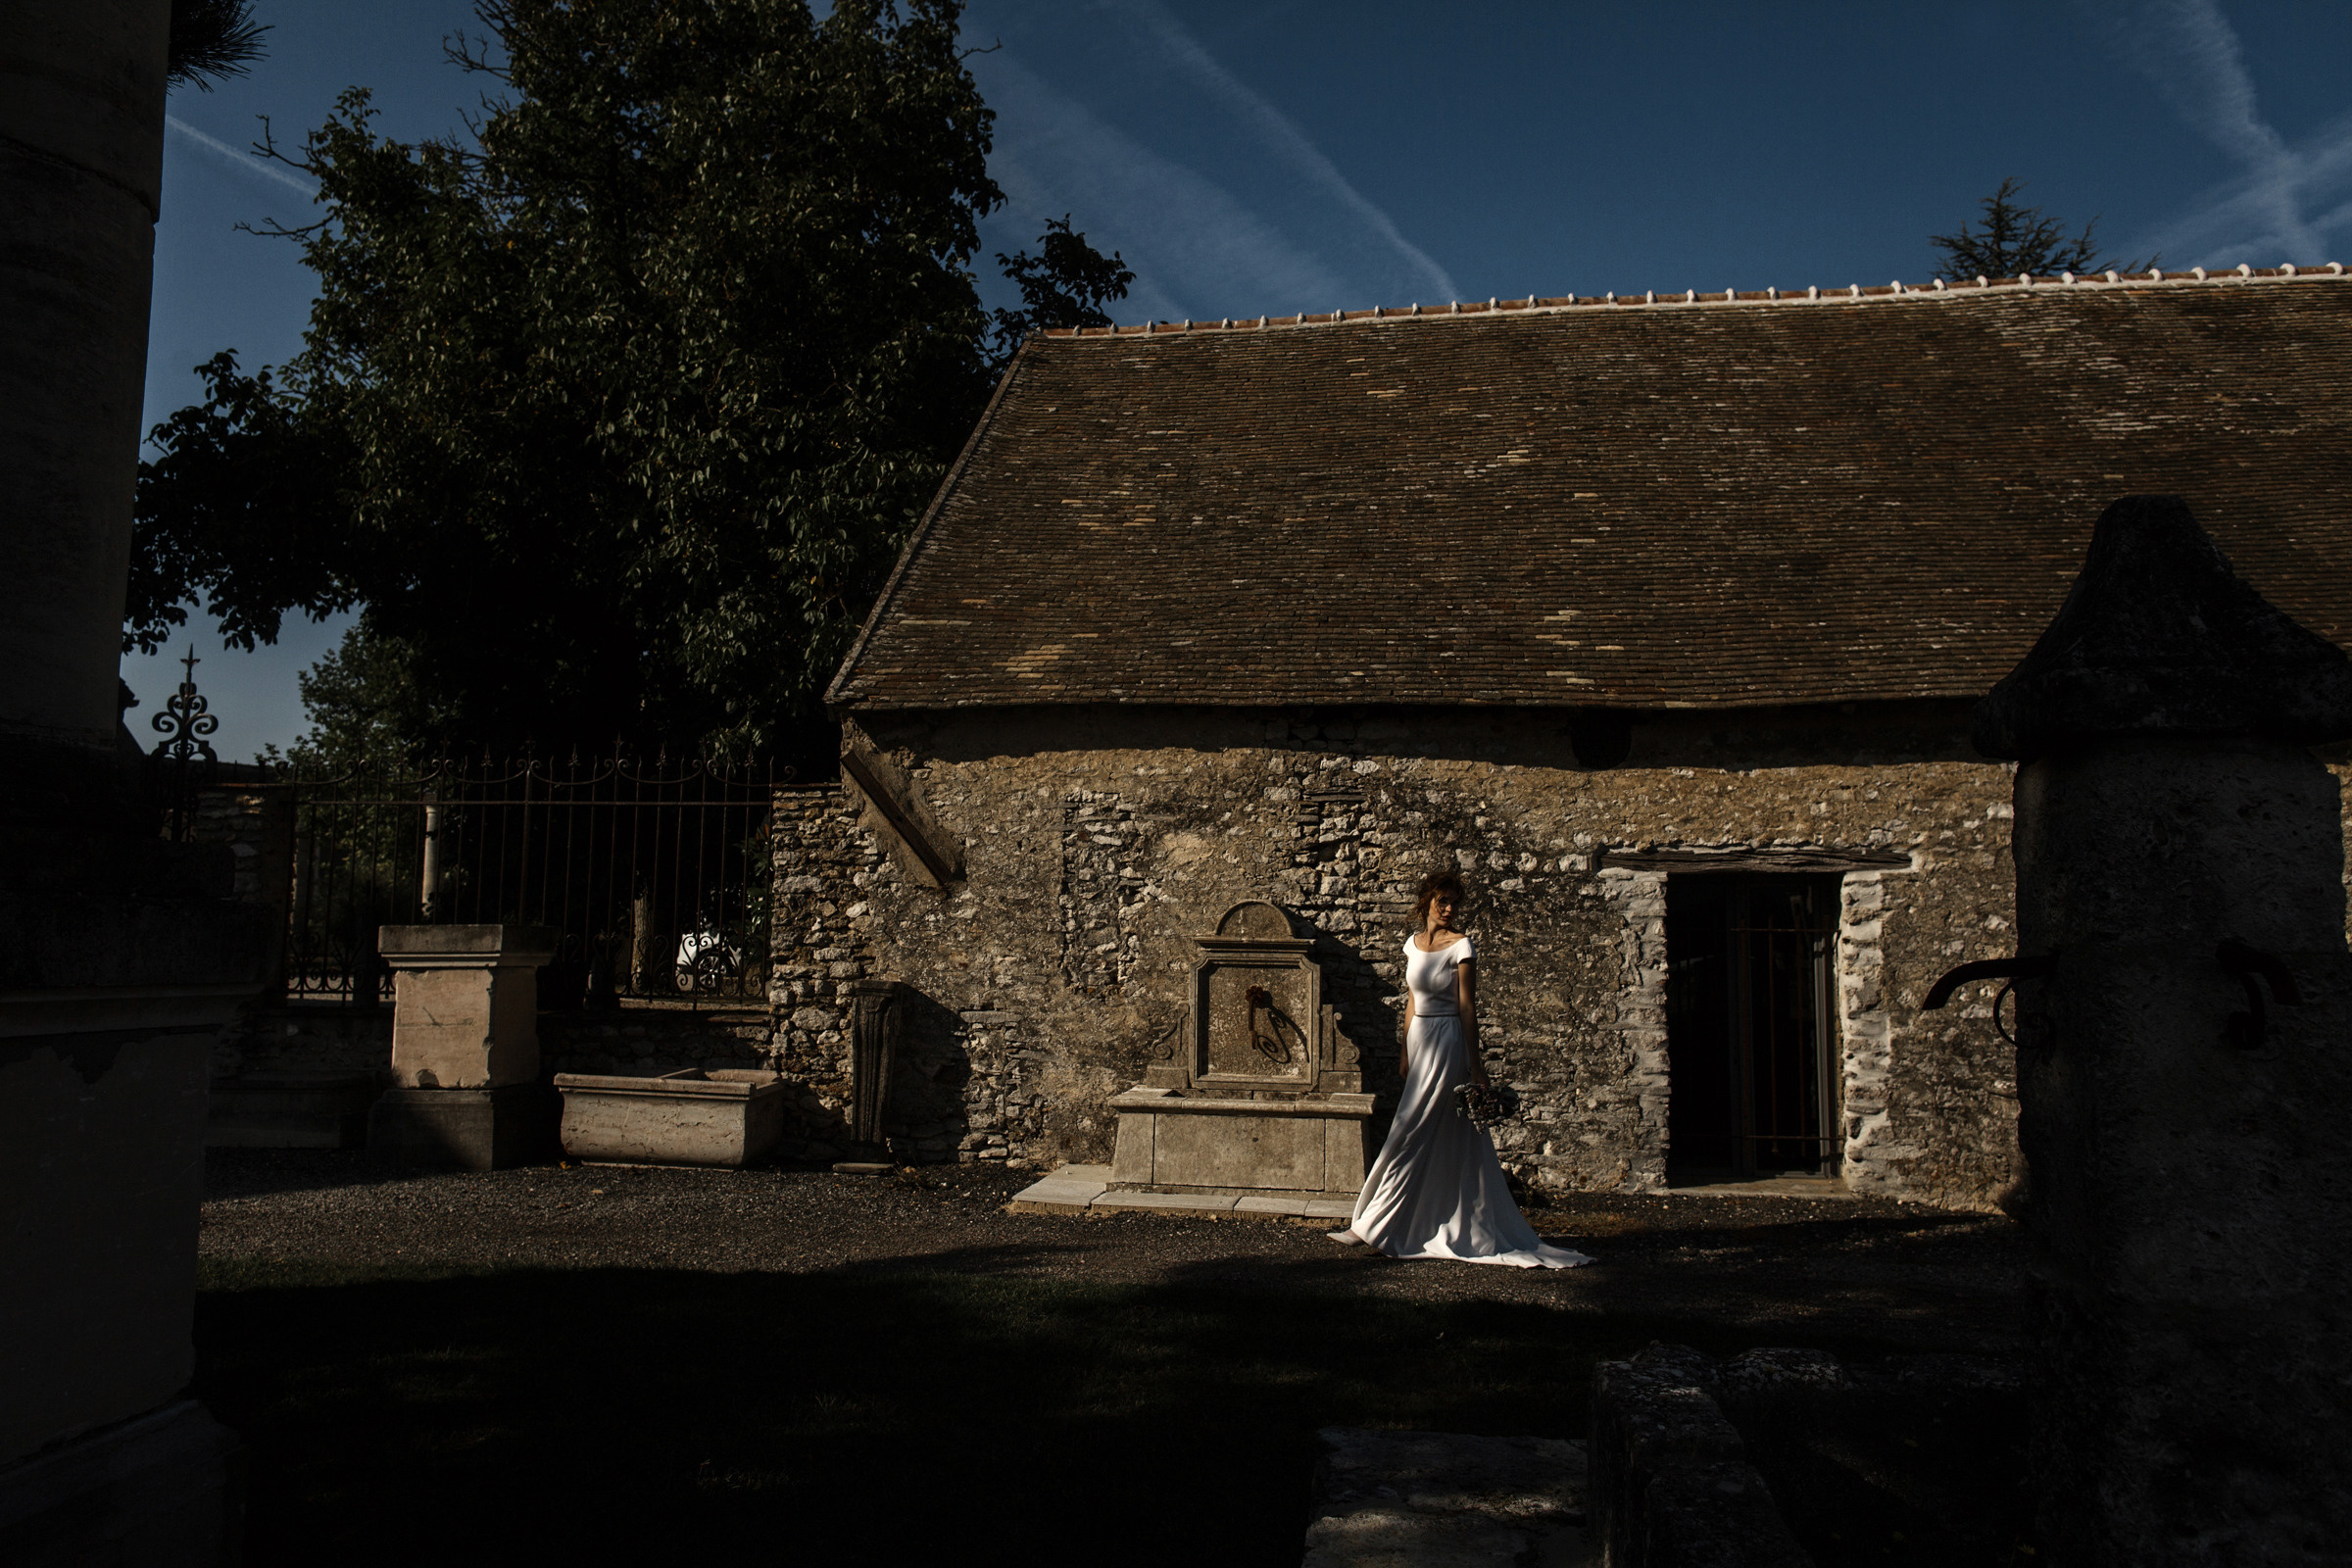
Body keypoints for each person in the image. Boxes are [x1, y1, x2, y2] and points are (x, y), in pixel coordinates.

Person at [1329, 869, 1592, 1268]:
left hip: (1447, 1042)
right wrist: (1404, 1051)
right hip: (1420, 1040)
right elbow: (1413, 1001)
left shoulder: (1462, 947)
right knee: (1434, 1135)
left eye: (1454, 902)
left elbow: (1468, 1008)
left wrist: (1476, 1065)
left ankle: (1370, 1225)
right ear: (1426, 902)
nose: (1449, 909)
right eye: (1442, 901)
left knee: (1409, 1131)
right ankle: (1417, 1222)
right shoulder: (1413, 946)